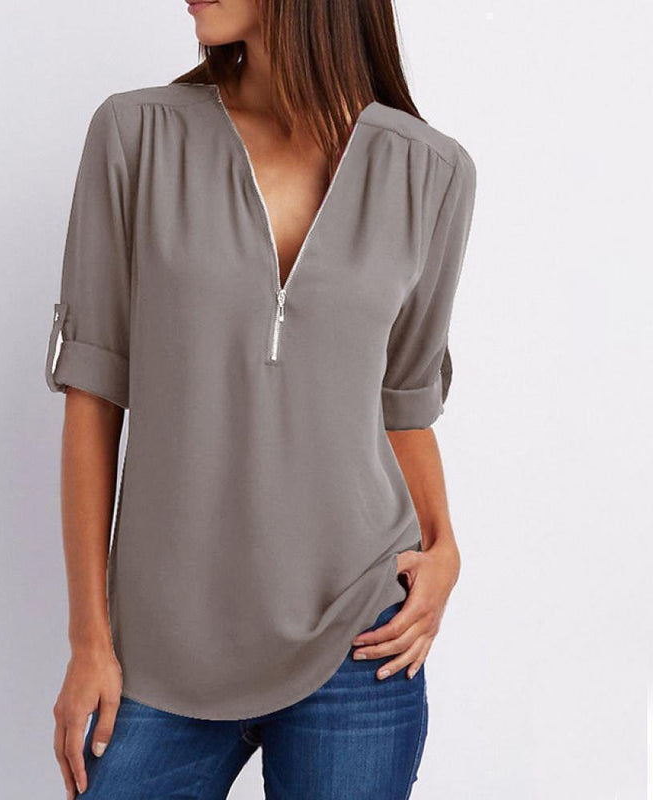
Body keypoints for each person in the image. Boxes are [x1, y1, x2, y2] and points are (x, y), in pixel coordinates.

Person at [44, 1, 477, 797]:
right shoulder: (137, 135)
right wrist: (89, 643)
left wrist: (444, 547)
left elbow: (403, 402)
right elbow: (93, 397)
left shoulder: (431, 171)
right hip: (161, 652)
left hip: (359, 640)